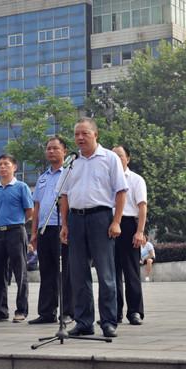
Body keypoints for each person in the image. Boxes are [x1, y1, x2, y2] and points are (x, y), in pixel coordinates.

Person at [59, 117, 127, 338]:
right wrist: (65, 224)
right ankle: (84, 321)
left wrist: (116, 221)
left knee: (106, 273)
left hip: (101, 218)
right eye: (77, 134)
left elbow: (120, 191)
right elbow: (65, 195)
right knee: (78, 273)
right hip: (76, 219)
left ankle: (108, 321)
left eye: (84, 133)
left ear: (95, 135)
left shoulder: (109, 158)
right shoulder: (71, 161)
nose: (79, 137)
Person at [28, 136, 74, 325]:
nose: (51, 151)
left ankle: (67, 311)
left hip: (62, 228)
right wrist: (33, 233)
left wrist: (67, 225)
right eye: (48, 148)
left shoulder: (70, 173)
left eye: (55, 148)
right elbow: (36, 207)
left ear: (64, 151)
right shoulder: (43, 177)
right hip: (44, 229)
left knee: (65, 271)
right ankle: (47, 312)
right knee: (46, 271)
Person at [0, 154, 33, 323]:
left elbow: (29, 211)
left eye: (6, 164)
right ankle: (0, 310)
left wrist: (16, 224)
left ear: (14, 167)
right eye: (0, 164)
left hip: (16, 231)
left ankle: (21, 310)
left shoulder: (21, 187)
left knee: (20, 273)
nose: (2, 167)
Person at [112, 145, 147, 326]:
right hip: (109, 226)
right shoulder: (106, 179)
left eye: (120, 156)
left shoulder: (135, 179)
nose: (117, 159)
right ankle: (114, 312)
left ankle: (134, 312)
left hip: (128, 225)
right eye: (113, 156)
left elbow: (142, 206)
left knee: (131, 272)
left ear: (128, 158)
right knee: (111, 273)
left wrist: (140, 231)